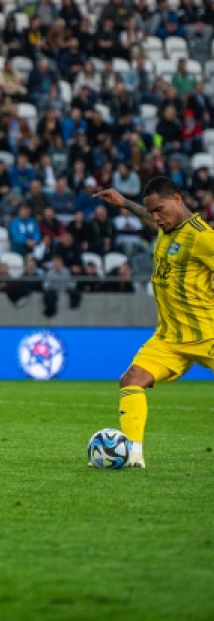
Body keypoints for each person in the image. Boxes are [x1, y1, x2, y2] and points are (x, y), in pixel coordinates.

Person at [95, 178, 214, 468]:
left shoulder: (201, 236)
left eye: (160, 210)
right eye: (153, 213)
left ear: (177, 198)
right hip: (170, 338)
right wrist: (124, 203)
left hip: (207, 334)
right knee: (132, 380)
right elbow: (151, 219)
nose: (157, 218)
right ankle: (133, 456)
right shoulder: (167, 228)